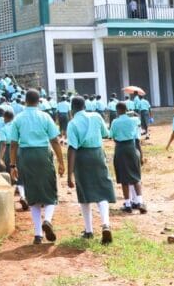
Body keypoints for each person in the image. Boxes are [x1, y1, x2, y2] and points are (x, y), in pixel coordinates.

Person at [9, 89, 66, 245]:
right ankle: (47, 220)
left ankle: (38, 235)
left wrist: (12, 165)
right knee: (50, 191)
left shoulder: (18, 118)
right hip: (43, 153)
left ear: (25, 101)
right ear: (39, 101)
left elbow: (13, 144)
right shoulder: (45, 116)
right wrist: (61, 162)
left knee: (32, 194)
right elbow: (54, 140)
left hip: (25, 156)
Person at [66, 96, 116, 244]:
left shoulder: (72, 123)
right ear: (84, 105)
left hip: (82, 157)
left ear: (72, 109)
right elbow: (106, 134)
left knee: (84, 193)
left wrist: (69, 174)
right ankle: (106, 224)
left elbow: (72, 148)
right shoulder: (96, 116)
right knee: (102, 189)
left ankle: (88, 230)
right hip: (97, 154)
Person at [110, 102, 147, 214]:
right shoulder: (134, 120)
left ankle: (127, 204)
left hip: (120, 148)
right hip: (132, 147)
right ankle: (140, 202)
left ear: (117, 110)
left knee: (123, 177)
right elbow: (137, 137)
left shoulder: (115, 122)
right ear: (126, 109)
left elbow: (112, 136)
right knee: (136, 176)